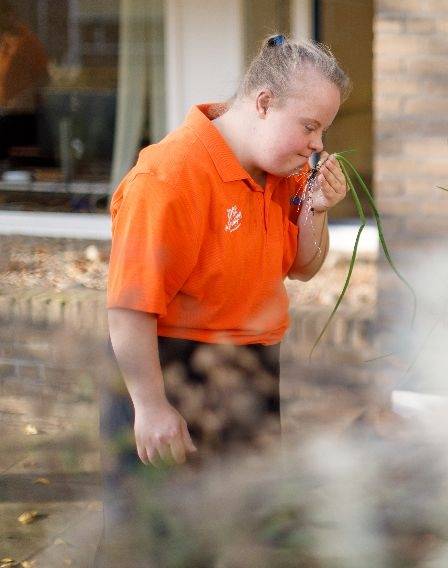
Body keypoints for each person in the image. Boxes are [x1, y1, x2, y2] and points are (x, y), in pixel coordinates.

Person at [97, 36, 351, 564]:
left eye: (323, 129)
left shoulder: (281, 171)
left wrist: (317, 209)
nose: (317, 144)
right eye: (309, 126)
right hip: (171, 372)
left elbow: (303, 267)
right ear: (263, 103)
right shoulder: (168, 177)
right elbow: (127, 307)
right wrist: (150, 406)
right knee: (155, 545)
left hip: (252, 366)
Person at [0, 0, 49, 162]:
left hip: (21, 115)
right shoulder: (5, 42)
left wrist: (24, 97)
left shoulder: (28, 42)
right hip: (5, 114)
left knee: (19, 162)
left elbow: (44, 77)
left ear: (10, 16)